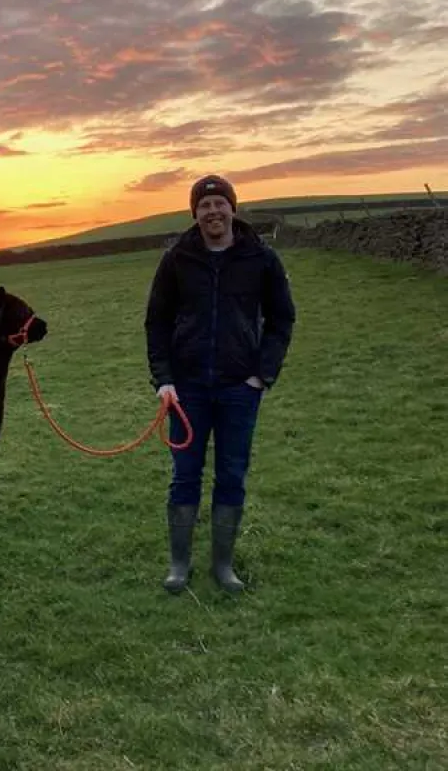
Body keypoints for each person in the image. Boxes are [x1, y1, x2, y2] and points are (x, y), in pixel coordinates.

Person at [144, 174, 296, 593]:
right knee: (184, 475)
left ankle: (223, 566)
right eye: (204, 205)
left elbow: (282, 319)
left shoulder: (261, 259)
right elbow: (156, 322)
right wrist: (164, 379)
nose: (213, 211)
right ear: (195, 213)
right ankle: (179, 565)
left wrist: (261, 375)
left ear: (233, 208)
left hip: (239, 390)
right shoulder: (177, 260)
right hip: (186, 389)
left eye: (219, 203)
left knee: (231, 475)